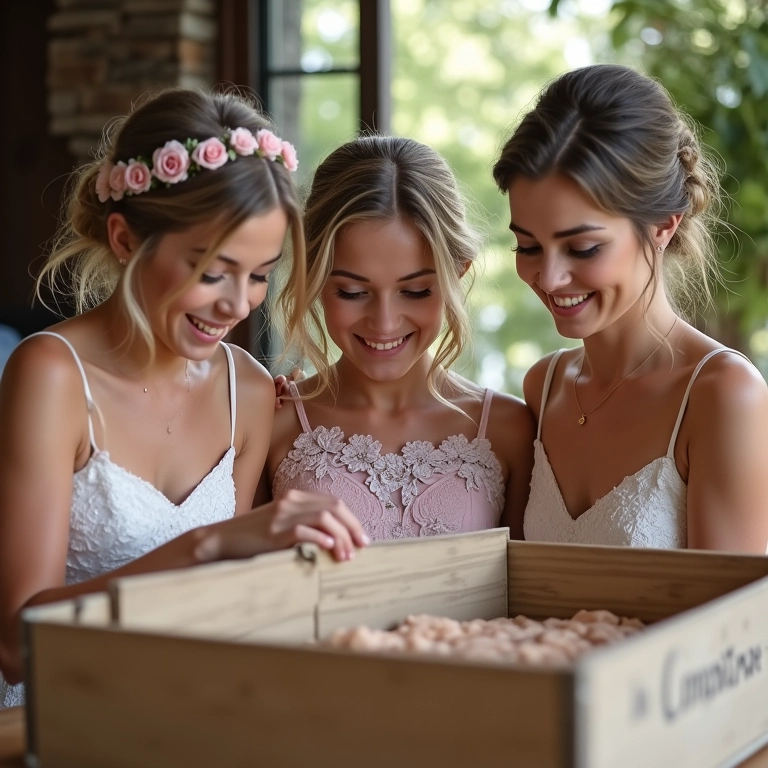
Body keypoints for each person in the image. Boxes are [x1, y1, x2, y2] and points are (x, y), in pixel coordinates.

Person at [0, 89, 367, 707]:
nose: (237, 304)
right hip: (53, 722)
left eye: (258, 275)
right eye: (212, 270)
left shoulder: (247, 391)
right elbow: (14, 643)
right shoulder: (52, 376)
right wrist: (208, 546)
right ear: (124, 239)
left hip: (191, 713)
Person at [492, 63, 768, 552]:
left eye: (582, 248)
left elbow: (734, 624)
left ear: (663, 224)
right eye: (528, 247)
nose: (549, 278)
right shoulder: (543, 388)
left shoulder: (722, 396)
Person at [260, 136, 535, 542]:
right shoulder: (273, 421)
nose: (384, 323)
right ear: (313, 277)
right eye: (352, 293)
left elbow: (527, 593)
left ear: (457, 273)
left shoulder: (509, 429)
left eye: (416, 291)